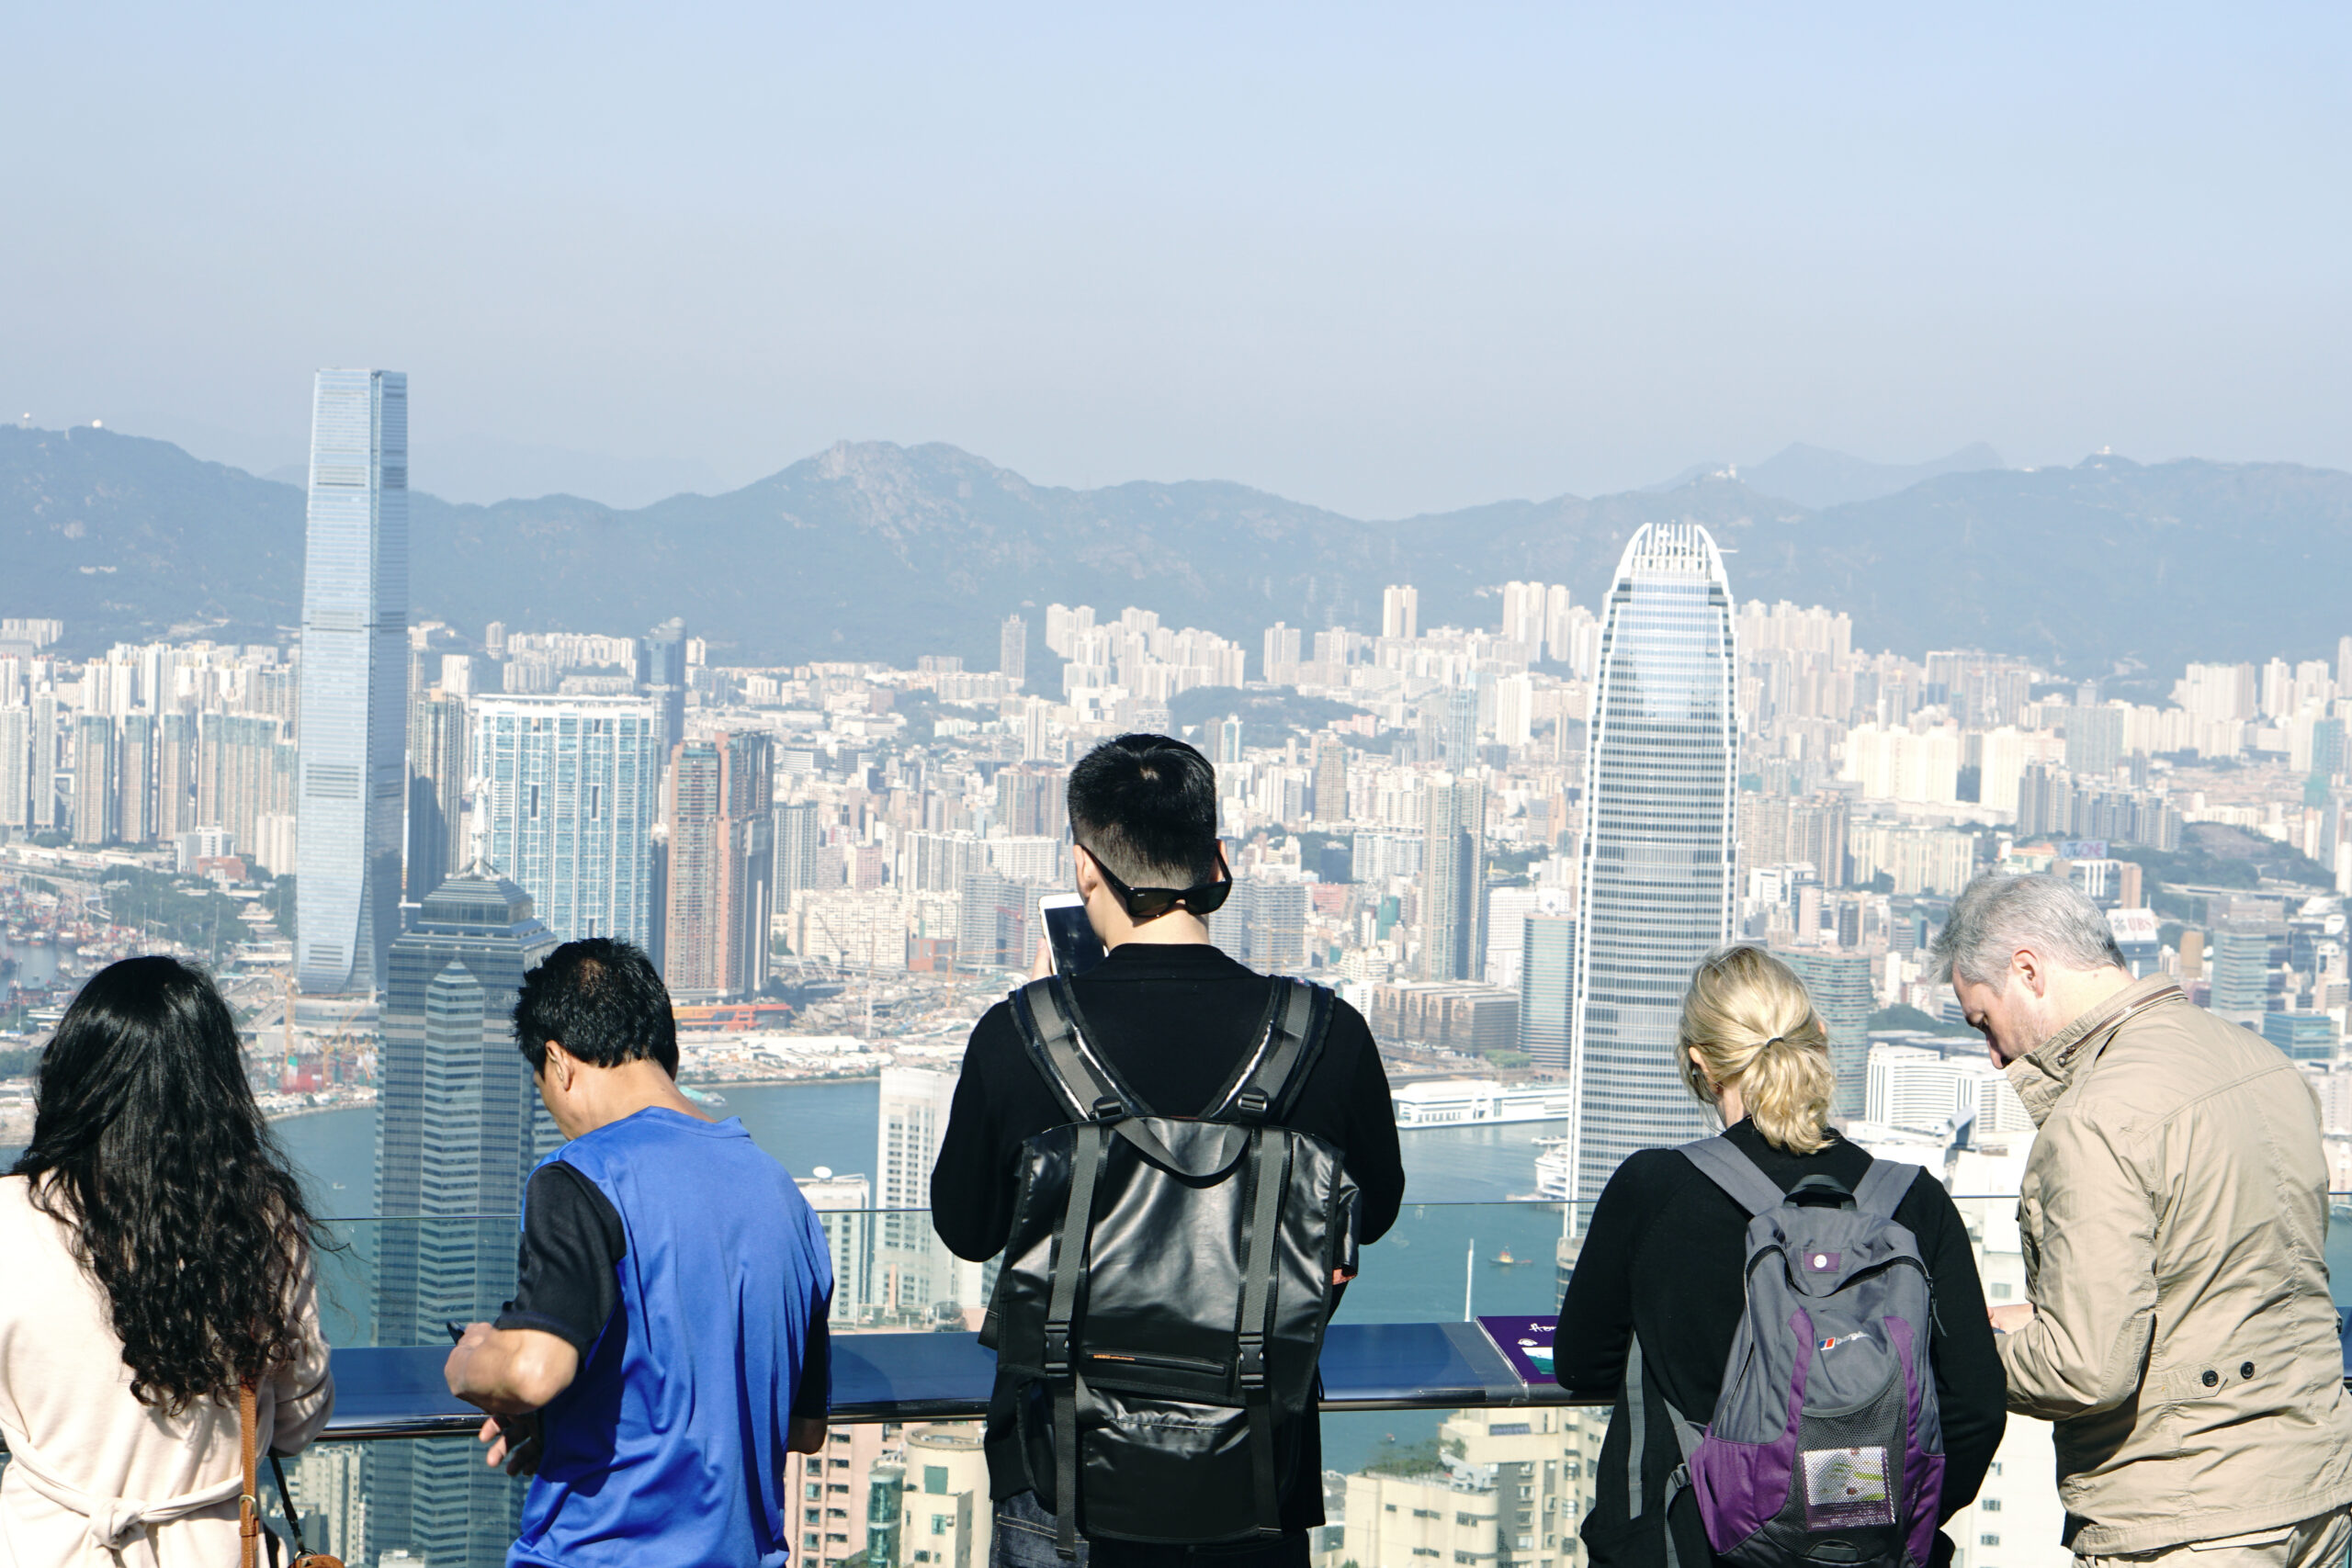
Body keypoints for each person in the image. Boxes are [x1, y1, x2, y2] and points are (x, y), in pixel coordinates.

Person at [931, 733, 1406, 1568]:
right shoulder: (1327, 1035)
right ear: (1218, 864)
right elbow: (1378, 1208)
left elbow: (967, 1227)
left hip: (1064, 1480)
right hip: (1255, 1472)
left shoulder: (1021, 1034)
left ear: (1086, 870)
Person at [1934, 873, 2352, 1567]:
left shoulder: (2096, 1118)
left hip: (2186, 1513)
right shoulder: (2265, 1065)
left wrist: (1955, 1354)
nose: (1995, 1053)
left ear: (2028, 970)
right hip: (2314, 1489)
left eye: (1983, 1020)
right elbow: (2220, 1280)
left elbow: (2086, 1368)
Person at [1555, 944, 2005, 1568]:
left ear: (1701, 1065)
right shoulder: (1914, 1200)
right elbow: (1976, 1405)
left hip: (1688, 1541)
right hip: (1874, 1549)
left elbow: (1582, 1363)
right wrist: (1868, 1514)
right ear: (1819, 1038)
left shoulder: (1654, 1188)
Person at [443, 937, 832, 1568]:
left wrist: (470, 1359)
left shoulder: (580, 1175)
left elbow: (535, 1370)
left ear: (558, 1062)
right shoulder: (783, 1195)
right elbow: (804, 1428)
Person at [0, 955, 334, 1568]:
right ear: (217, 1088)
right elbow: (296, 1423)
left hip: (42, 1547)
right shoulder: (260, 1224)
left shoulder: (8, 1219)